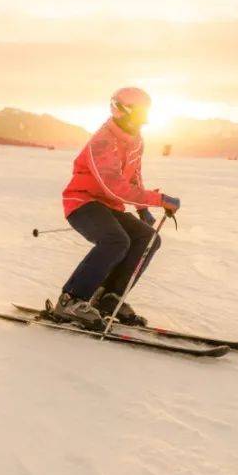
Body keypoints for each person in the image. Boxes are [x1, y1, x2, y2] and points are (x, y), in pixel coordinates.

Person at [54, 87, 180, 329]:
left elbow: (133, 178)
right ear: (122, 111)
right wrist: (159, 199)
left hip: (108, 206)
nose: (144, 118)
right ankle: (71, 299)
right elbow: (114, 187)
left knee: (148, 238)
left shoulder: (135, 141)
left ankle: (109, 298)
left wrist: (142, 208)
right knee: (116, 240)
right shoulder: (102, 142)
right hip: (82, 203)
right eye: (140, 113)